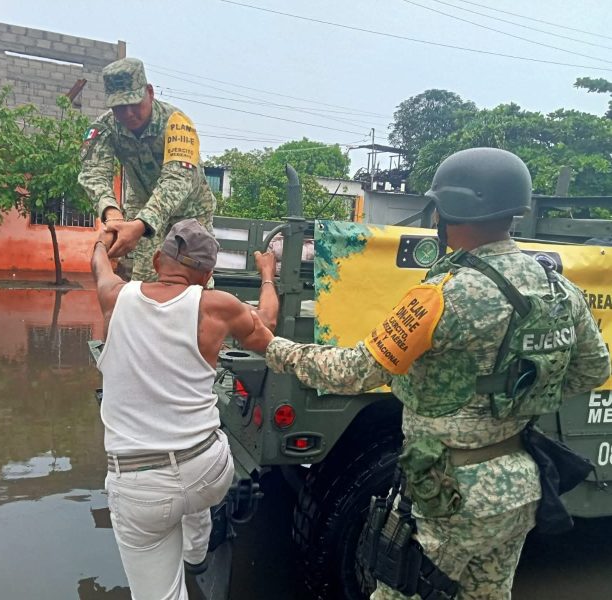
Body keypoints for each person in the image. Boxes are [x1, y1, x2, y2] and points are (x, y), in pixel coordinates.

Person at [247, 148, 610, 599]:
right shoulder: (560, 289)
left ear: (451, 209)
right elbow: (593, 368)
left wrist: (273, 346)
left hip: (448, 494)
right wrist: (518, 400)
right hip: (518, 483)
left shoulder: (442, 295)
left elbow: (355, 372)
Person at [90, 218, 278, 600]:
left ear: (158, 260)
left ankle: (188, 560)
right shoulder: (218, 307)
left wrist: (103, 240)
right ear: (208, 275)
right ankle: (196, 554)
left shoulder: (115, 296)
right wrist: (268, 275)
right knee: (196, 489)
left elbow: (98, 266)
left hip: (140, 486)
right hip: (206, 470)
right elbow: (269, 326)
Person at [79, 57, 216, 282]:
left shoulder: (177, 123)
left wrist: (141, 225)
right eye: (120, 108)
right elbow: (93, 172)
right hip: (141, 208)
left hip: (191, 213)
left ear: (150, 93)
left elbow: (177, 180)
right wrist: (111, 214)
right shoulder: (104, 127)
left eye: (135, 103)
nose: (129, 114)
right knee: (144, 283)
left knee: (194, 284)